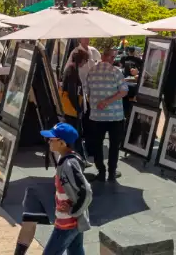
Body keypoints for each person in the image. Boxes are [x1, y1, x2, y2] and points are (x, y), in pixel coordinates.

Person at [41, 122, 93, 255]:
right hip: (69, 220)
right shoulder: (64, 160)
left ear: (63, 143)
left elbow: (86, 191)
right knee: (76, 251)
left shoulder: (69, 164)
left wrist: (73, 210)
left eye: (52, 139)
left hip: (68, 222)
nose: (48, 142)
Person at [84, 48, 129, 182]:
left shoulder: (91, 72)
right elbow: (124, 91)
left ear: (102, 56)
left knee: (97, 144)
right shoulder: (116, 72)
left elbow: (87, 91)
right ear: (110, 58)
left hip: (97, 116)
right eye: (113, 57)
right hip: (115, 116)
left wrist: (97, 102)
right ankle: (112, 171)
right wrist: (108, 101)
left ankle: (101, 171)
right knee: (114, 145)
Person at [60, 49, 89, 126]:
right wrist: (78, 109)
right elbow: (71, 92)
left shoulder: (73, 70)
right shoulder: (71, 71)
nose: (85, 63)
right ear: (81, 60)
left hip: (71, 109)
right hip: (71, 110)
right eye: (86, 60)